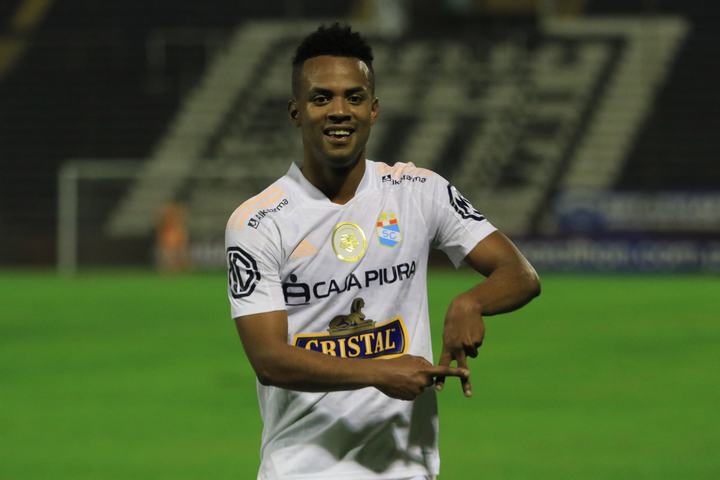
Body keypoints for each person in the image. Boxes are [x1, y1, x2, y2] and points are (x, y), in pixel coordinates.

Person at [225, 23, 540, 480]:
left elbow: (519, 273)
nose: (339, 111)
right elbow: (269, 360)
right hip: (302, 471)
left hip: (406, 469)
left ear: (373, 110)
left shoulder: (419, 191)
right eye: (321, 98)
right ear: (296, 112)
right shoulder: (258, 221)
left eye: (353, 98)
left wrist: (471, 302)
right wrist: (380, 372)